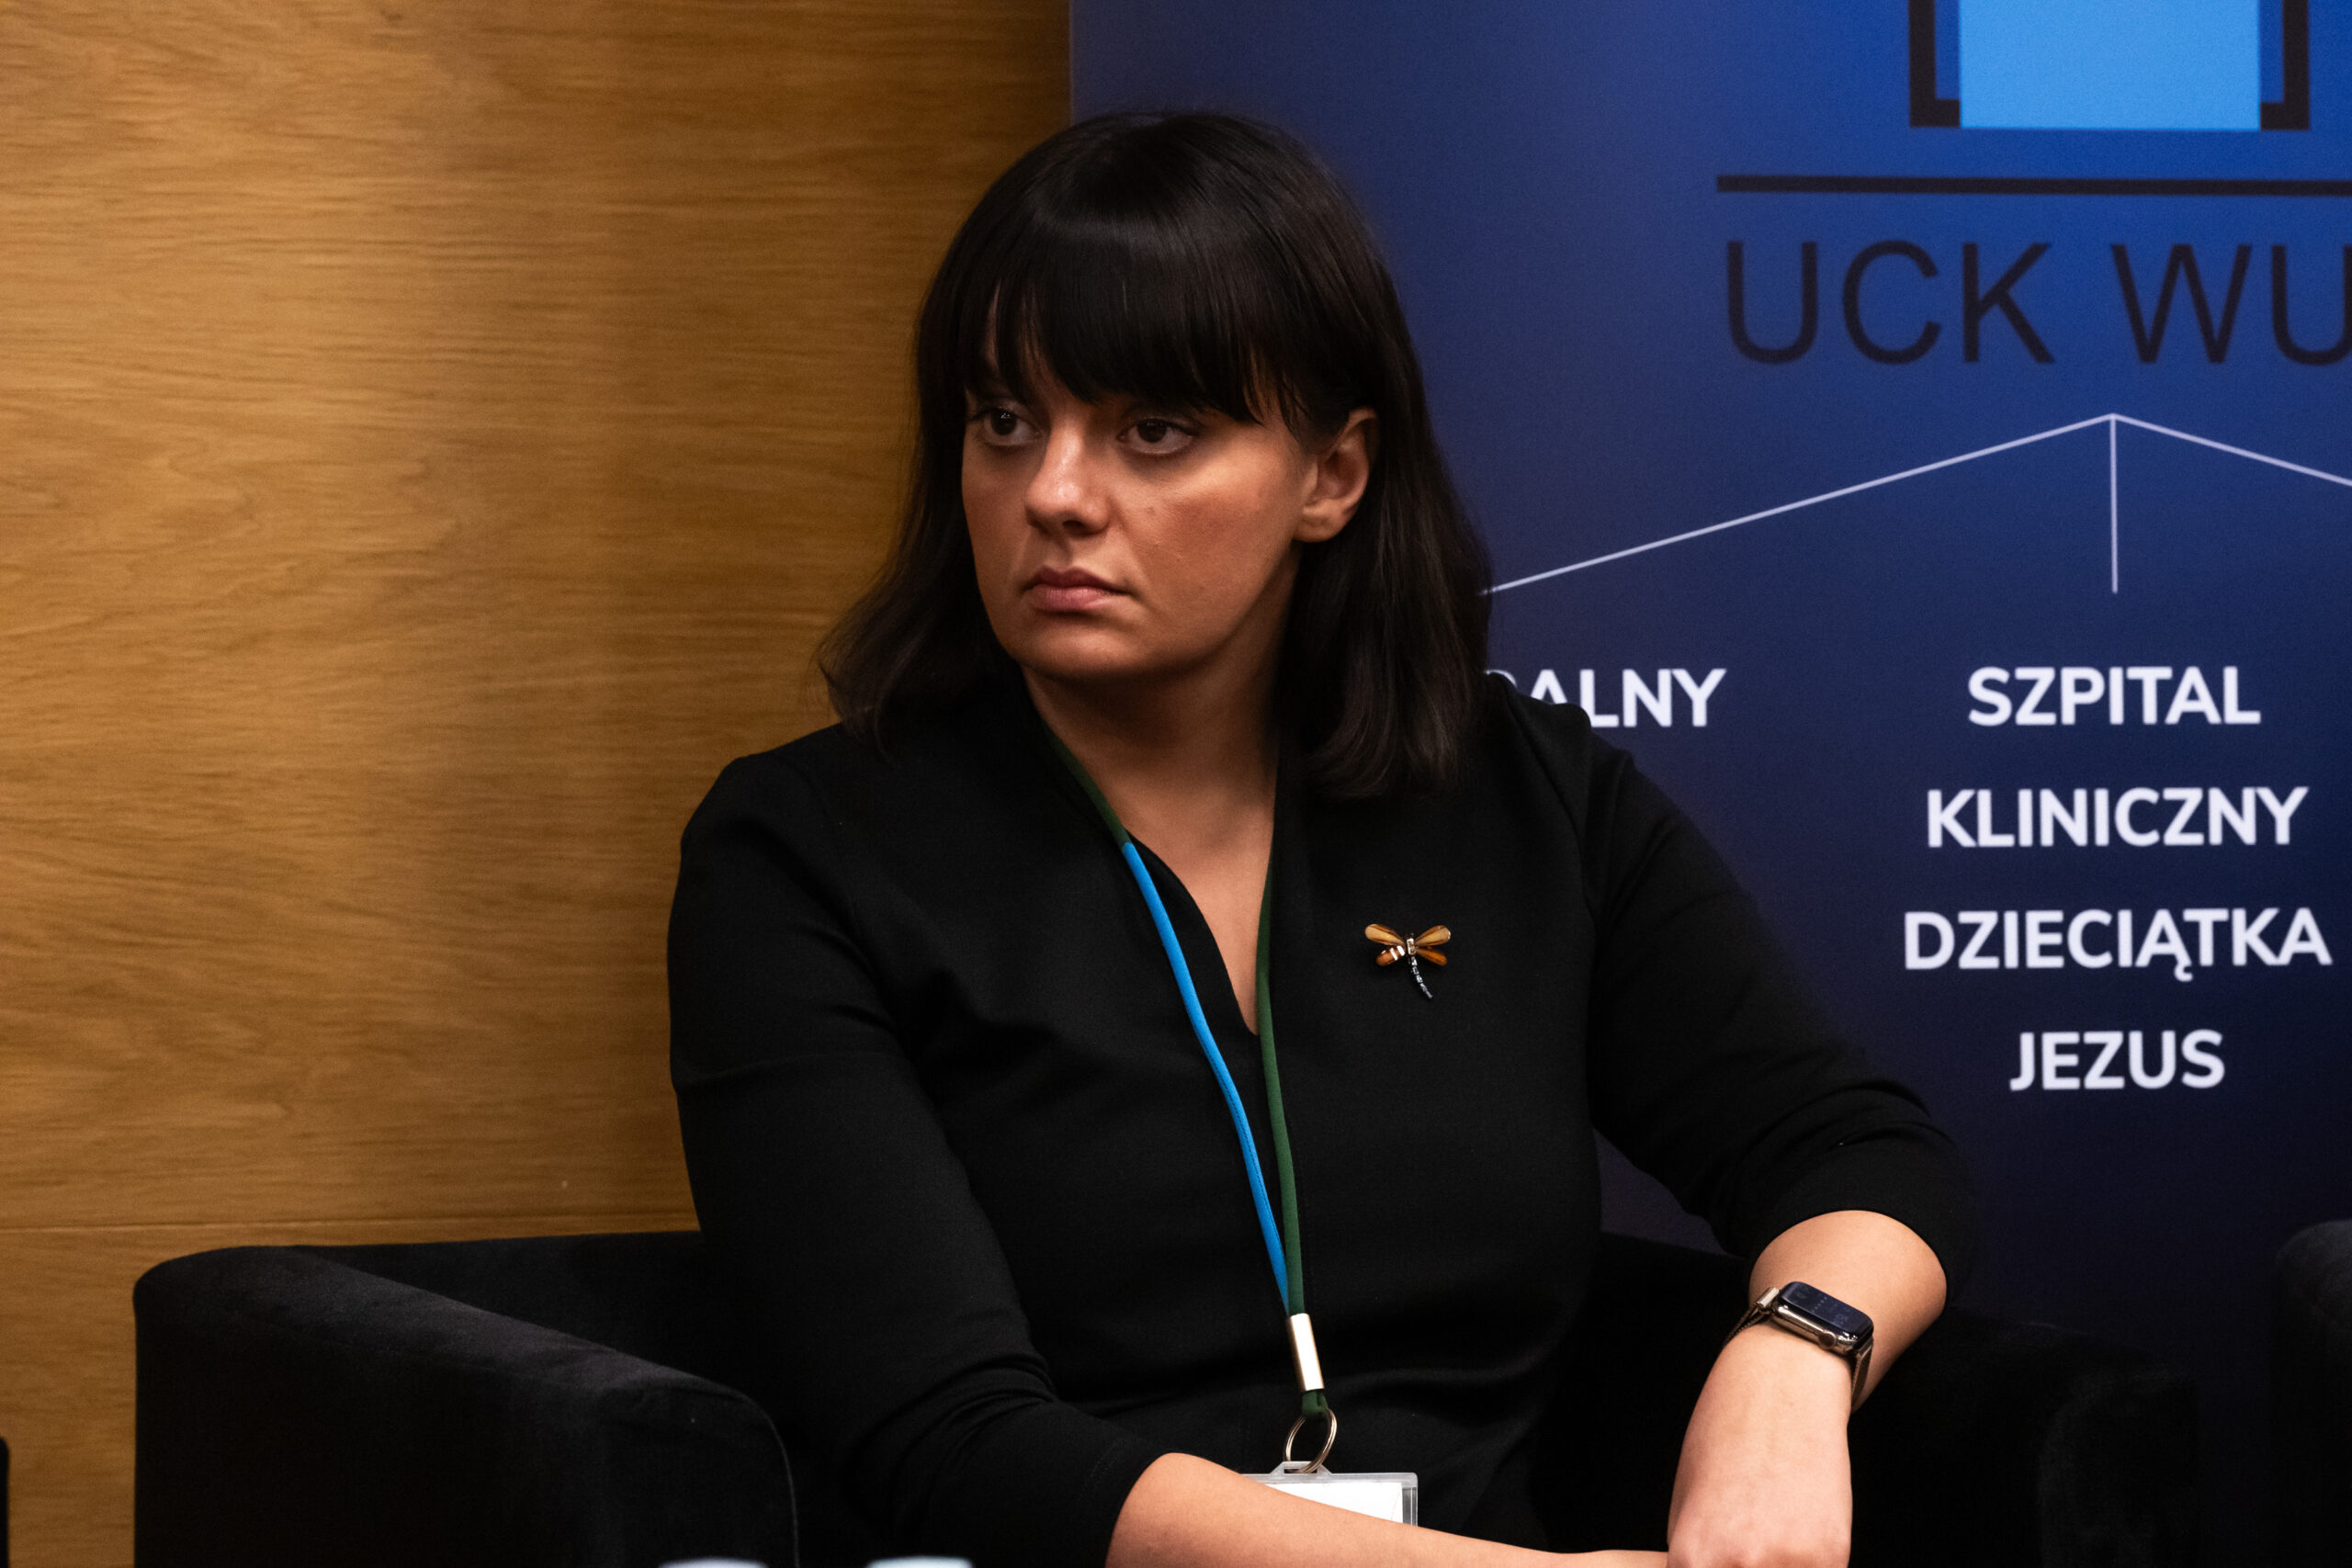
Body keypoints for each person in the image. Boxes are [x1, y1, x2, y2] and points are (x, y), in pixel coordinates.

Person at [668, 112, 1973, 1568]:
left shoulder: (1522, 796)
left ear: (1333, 475)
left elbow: (1854, 1149)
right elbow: (948, 1440)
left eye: (1153, 431)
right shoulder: (800, 854)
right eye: (1005, 421)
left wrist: (1790, 1362)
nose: (1054, 493)